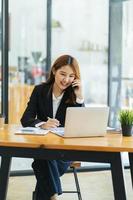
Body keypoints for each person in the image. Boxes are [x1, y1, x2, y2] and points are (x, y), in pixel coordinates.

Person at [21, 54, 84, 200]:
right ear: (54, 70)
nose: (66, 80)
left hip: (66, 151)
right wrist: (42, 124)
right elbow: (26, 118)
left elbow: (80, 125)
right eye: (63, 74)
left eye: (71, 76)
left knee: (41, 162)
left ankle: (52, 196)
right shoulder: (40, 90)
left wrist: (80, 97)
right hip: (44, 146)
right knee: (44, 157)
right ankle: (53, 196)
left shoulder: (75, 95)